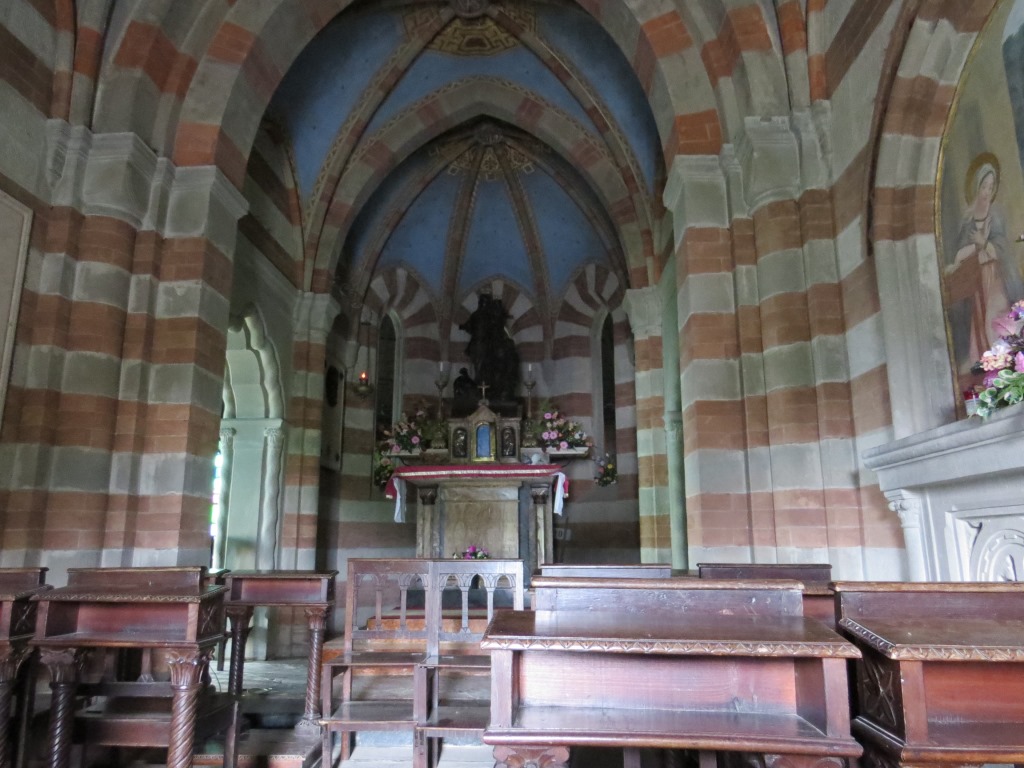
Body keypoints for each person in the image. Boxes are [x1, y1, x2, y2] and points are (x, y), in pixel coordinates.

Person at [946, 159, 1023, 373]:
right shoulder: (968, 219)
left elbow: (1002, 247)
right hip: (977, 277)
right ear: (976, 187)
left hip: (995, 274)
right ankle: (993, 366)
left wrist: (984, 243)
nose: (987, 192)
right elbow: (961, 252)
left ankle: (1007, 361)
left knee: (995, 316)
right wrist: (971, 250)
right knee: (980, 320)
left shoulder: (996, 216)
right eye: (984, 186)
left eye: (991, 187)